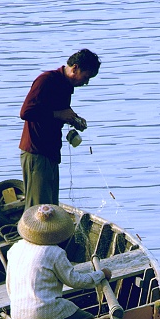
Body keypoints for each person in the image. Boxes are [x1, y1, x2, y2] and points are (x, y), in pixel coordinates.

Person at [19, 49, 101, 208]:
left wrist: (75, 119)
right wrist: (58, 115)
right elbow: (26, 112)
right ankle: (27, 233)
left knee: (50, 206)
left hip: (50, 152)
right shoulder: (46, 81)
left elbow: (61, 110)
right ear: (75, 68)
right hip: (36, 152)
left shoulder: (65, 85)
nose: (86, 83)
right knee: (39, 210)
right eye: (86, 77)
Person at [6, 203, 111, 319]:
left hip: (18, 313)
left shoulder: (15, 247)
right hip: (44, 312)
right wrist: (100, 275)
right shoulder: (55, 253)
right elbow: (75, 281)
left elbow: (9, 286)